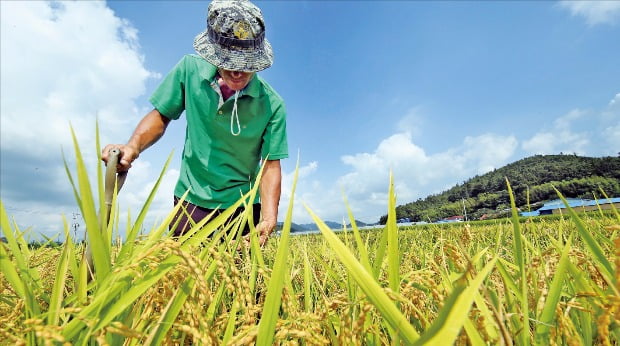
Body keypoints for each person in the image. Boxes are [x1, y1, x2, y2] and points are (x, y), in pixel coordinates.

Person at [102, 0, 288, 245]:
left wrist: (268, 217)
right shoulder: (189, 69)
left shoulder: (272, 105)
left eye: (246, 64)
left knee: (241, 277)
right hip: (191, 199)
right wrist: (133, 147)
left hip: (242, 205)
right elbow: (162, 115)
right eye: (229, 62)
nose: (237, 73)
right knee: (183, 276)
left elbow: (270, 164)